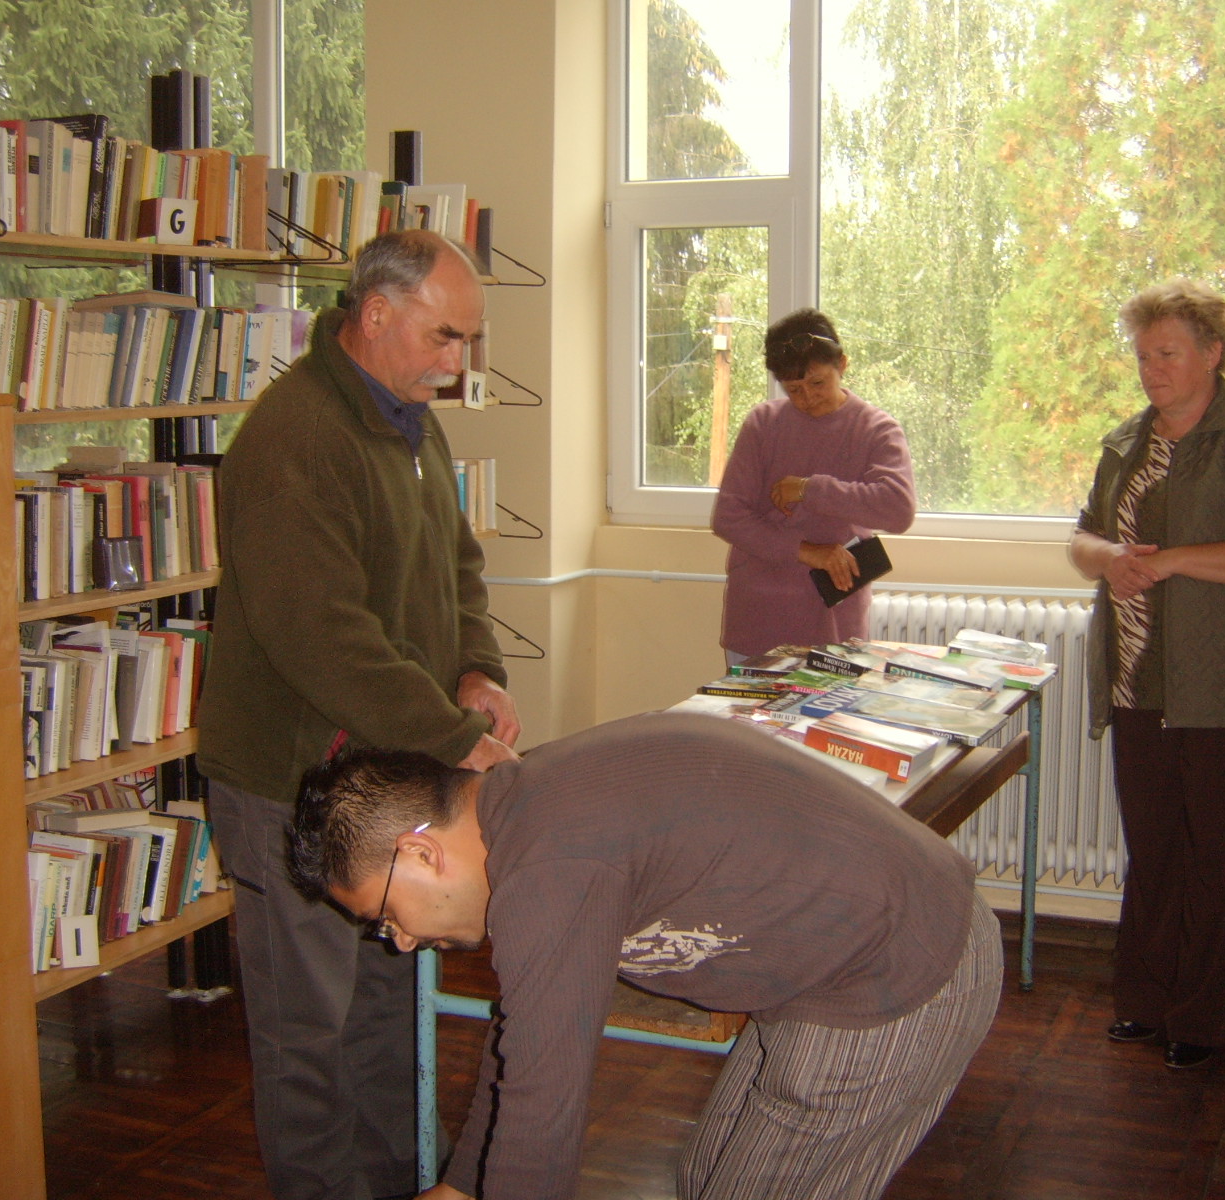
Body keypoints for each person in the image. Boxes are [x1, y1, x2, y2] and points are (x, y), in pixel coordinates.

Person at [288, 712, 1003, 1200]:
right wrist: (464, 1184)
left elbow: (544, 1108)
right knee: (706, 1178)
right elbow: (524, 1041)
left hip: (899, 967)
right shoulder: (523, 816)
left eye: (386, 917)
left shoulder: (551, 866)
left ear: (420, 852)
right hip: (831, 966)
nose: (401, 941)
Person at [196, 228, 522, 1199]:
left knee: (391, 1010)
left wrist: (475, 668)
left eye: (467, 339)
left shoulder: (412, 422)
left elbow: (457, 566)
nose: (456, 362)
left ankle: (404, 1181)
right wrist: (457, 739)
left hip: (388, 775)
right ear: (375, 314)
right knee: (310, 1033)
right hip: (289, 785)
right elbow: (321, 634)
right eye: (444, 336)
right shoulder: (294, 436)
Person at [1068, 278, 1225, 1071]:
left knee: (1217, 855)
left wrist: (1170, 561)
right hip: (1138, 677)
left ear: (1214, 353)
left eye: (1167, 354)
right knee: (1154, 846)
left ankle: (1206, 1018)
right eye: (1143, 356)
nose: (1152, 370)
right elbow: (1081, 539)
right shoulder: (1125, 442)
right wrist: (1109, 558)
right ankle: (1144, 1000)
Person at [711, 308, 916, 663]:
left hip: (834, 625)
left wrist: (810, 489)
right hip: (758, 623)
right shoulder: (763, 424)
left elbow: (898, 510)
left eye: (818, 383)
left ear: (842, 365)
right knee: (745, 705)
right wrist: (807, 551)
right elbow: (728, 518)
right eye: (794, 389)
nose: (807, 398)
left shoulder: (876, 429)